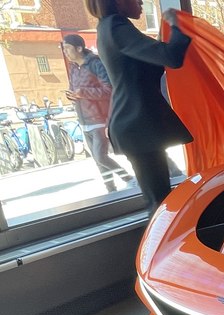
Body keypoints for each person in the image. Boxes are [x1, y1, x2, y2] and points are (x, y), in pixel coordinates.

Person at [83, 0, 193, 216]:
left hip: (136, 125)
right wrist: (177, 25)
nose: (141, 2)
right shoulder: (115, 26)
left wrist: (165, 38)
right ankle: (159, 239)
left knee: (160, 201)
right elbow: (172, 58)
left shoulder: (109, 27)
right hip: (136, 126)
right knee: (159, 204)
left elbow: (151, 66)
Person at [62, 34, 134, 193]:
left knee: (100, 156)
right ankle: (111, 190)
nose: (65, 52)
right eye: (63, 48)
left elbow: (109, 90)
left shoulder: (95, 64)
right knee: (98, 159)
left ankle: (128, 178)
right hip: (84, 119)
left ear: (79, 48)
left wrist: (83, 92)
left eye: (67, 48)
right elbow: (75, 90)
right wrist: (72, 95)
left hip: (99, 119)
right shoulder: (73, 68)